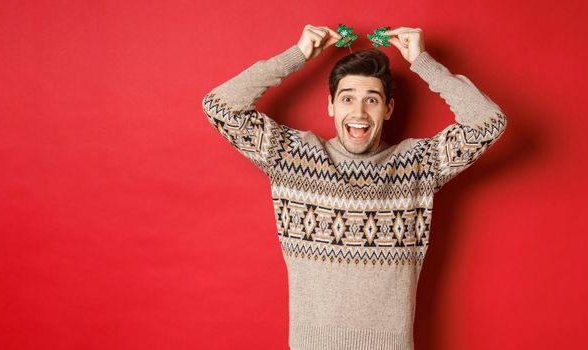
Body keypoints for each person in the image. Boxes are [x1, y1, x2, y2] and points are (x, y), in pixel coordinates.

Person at [202, 24, 507, 350]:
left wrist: (422, 61)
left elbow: (487, 122)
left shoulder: (417, 165)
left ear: (387, 109)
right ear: (331, 105)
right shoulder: (293, 157)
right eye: (347, 99)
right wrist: (298, 55)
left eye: (371, 100)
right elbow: (220, 106)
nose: (359, 113)